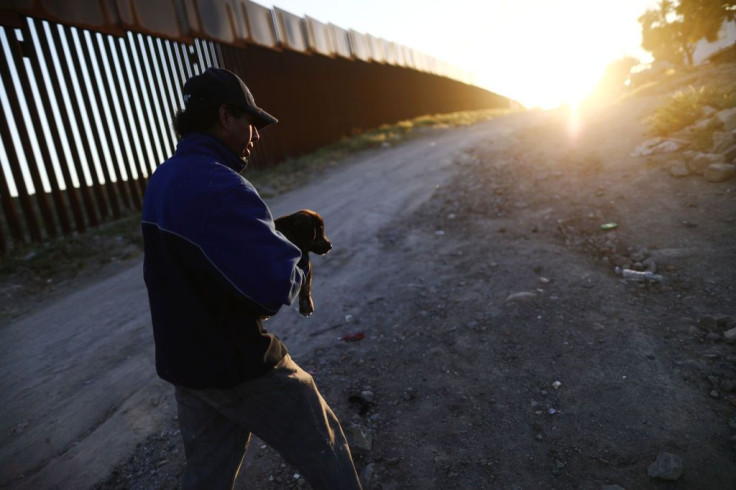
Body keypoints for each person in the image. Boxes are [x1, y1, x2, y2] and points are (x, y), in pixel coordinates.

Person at [141, 67, 362, 490]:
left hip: (185, 363)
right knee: (325, 445)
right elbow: (274, 288)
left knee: (206, 476)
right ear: (225, 116)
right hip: (236, 363)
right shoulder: (223, 186)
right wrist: (293, 247)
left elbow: (190, 265)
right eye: (251, 122)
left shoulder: (162, 180)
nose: (256, 134)